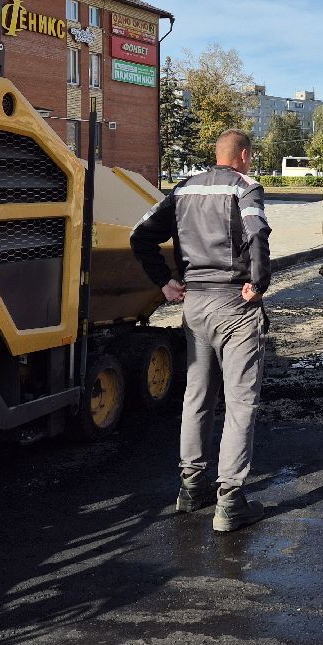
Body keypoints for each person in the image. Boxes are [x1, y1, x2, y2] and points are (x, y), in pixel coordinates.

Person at [130, 129, 270, 532]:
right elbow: (258, 233)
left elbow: (140, 236)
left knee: (197, 396)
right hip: (234, 306)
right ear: (243, 155)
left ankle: (191, 488)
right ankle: (230, 502)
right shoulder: (245, 188)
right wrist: (258, 284)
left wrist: (163, 281)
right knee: (241, 402)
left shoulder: (184, 189)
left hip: (194, 304)